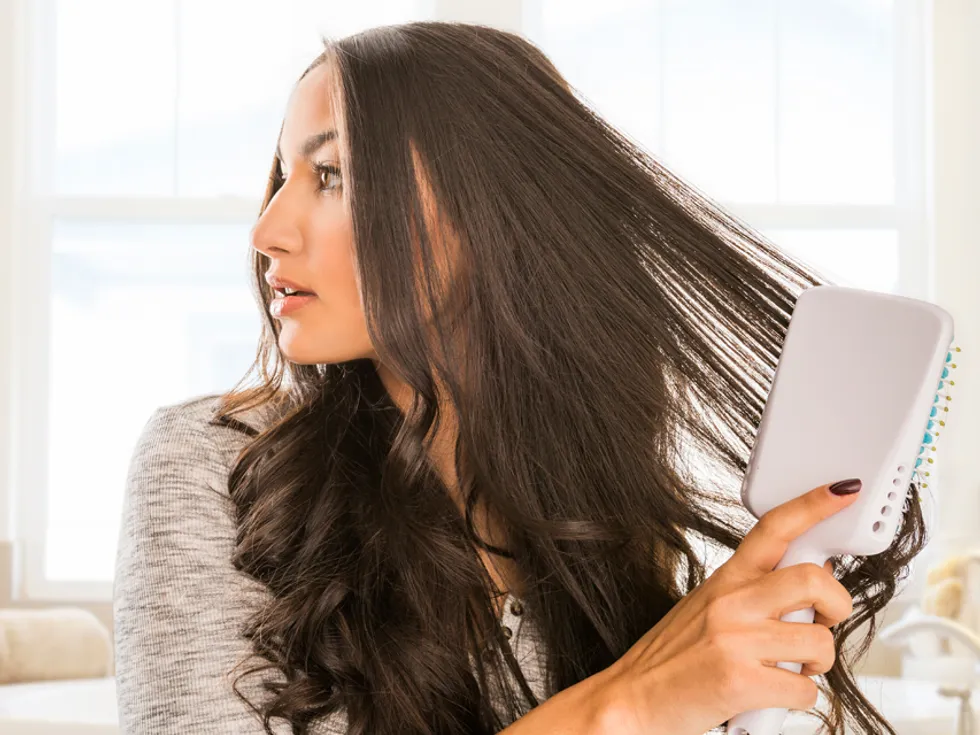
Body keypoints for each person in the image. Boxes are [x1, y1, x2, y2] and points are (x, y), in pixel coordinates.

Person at [112, 21, 925, 735]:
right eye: (283, 175)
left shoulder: (607, 526)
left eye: (332, 176)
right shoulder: (216, 466)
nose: (266, 229)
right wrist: (629, 704)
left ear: (490, 213)